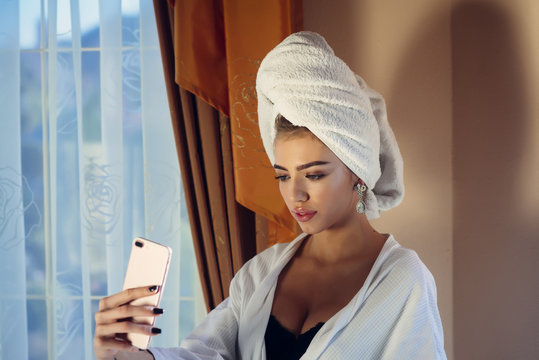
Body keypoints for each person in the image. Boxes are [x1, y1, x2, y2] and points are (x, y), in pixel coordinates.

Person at [94, 31, 447, 360]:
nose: (295, 193)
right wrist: (135, 356)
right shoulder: (260, 274)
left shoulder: (404, 281)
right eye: (282, 175)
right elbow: (204, 353)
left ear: (357, 171)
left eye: (314, 174)